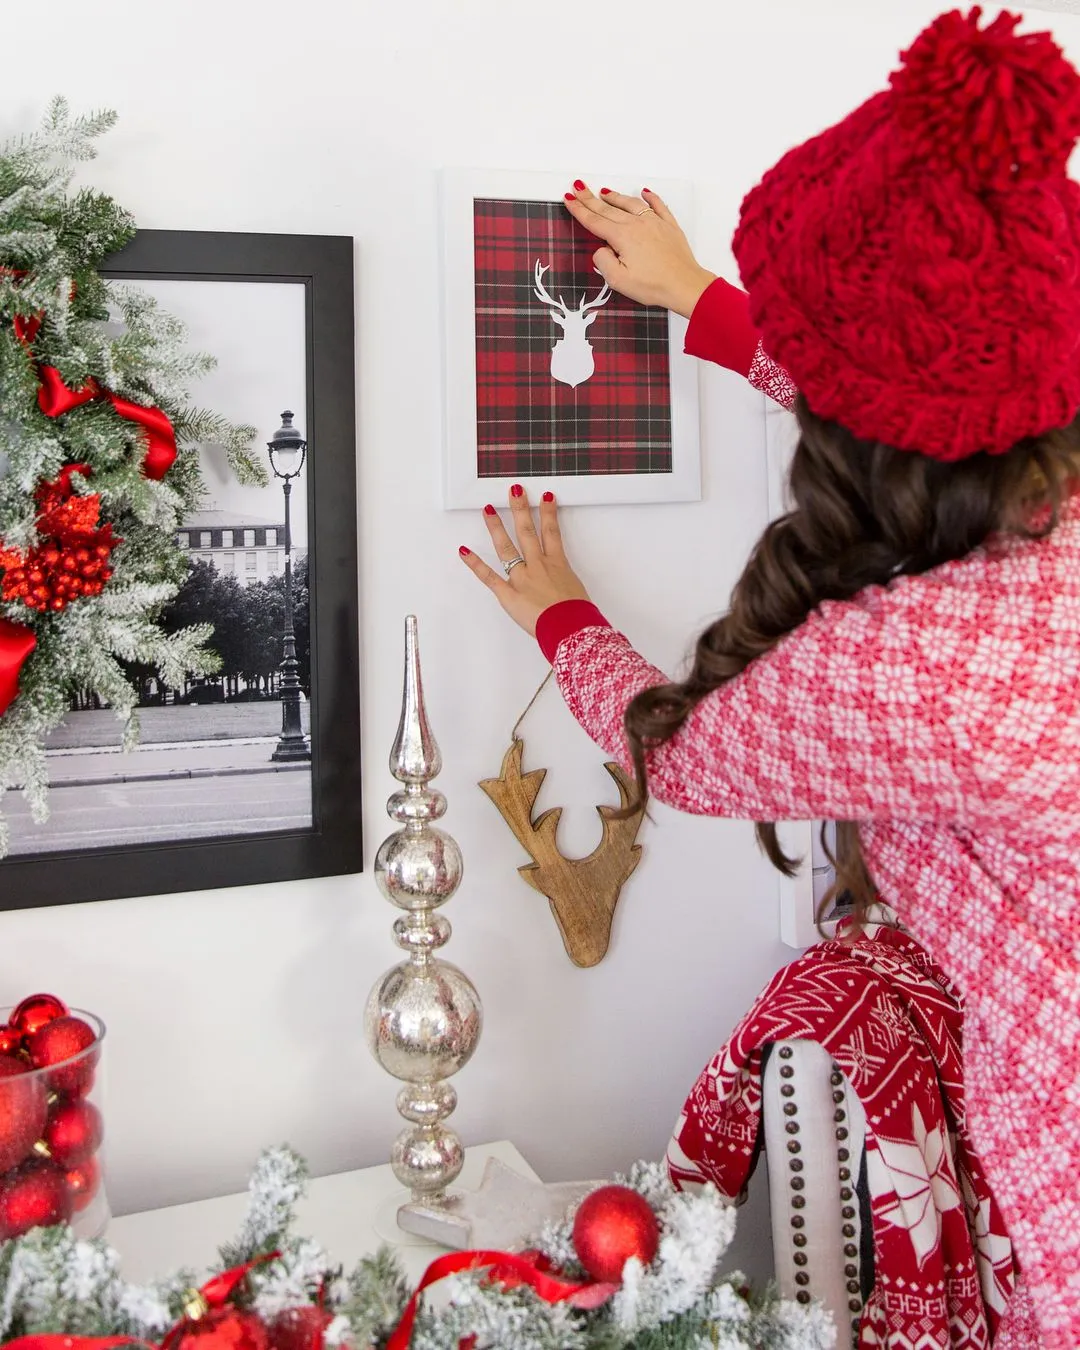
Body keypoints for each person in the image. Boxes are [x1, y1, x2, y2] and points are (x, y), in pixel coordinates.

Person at [458, 7, 1080, 1344]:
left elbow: (683, 756)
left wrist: (565, 618)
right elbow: (934, 421)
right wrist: (710, 306)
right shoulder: (1043, 498)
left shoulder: (911, 668)